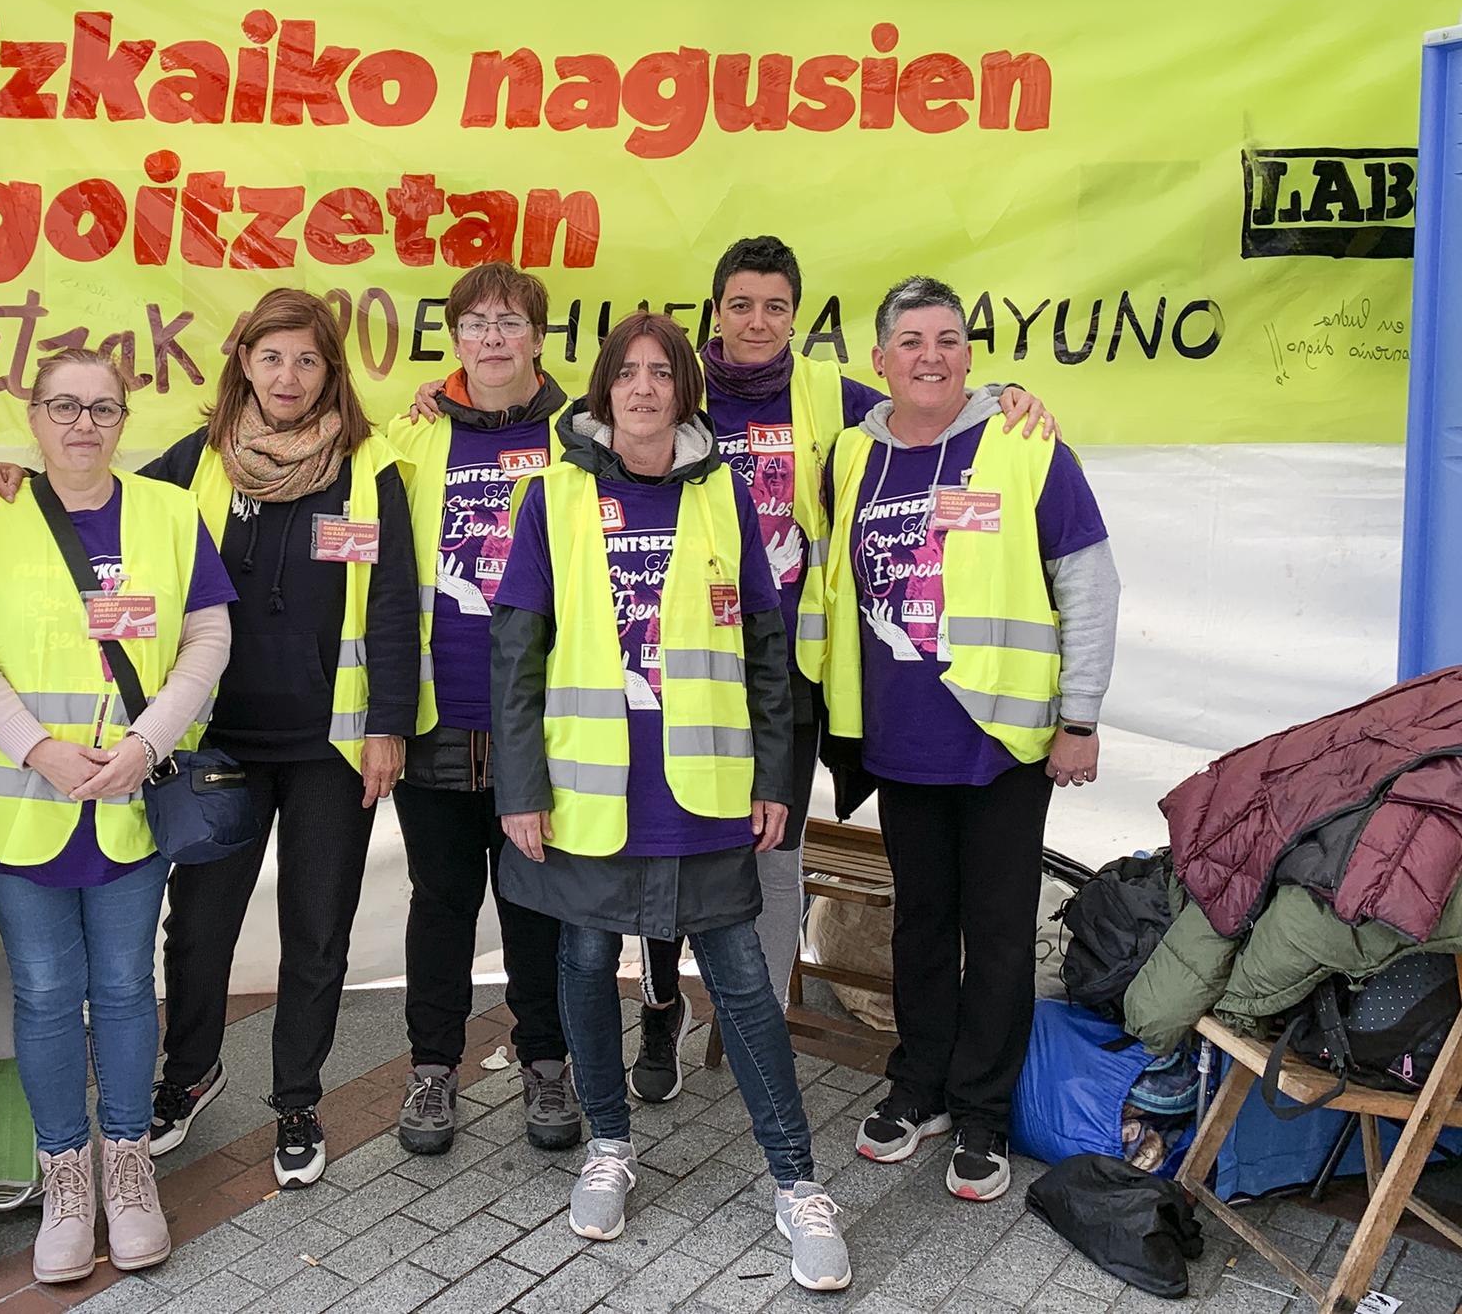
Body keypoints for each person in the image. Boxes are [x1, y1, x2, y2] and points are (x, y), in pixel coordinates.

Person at [630, 236, 1057, 1104]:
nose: (757, 322)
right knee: (668, 850)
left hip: (788, 676)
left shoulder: (829, 395)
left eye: (775, 306)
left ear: (797, 315)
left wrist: (1005, 393)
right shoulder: (676, 386)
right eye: (741, 304)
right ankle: (661, 1005)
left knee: (772, 853)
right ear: (715, 312)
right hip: (682, 666)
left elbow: (926, 403)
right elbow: (589, 425)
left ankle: (754, 1029)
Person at [491, 312, 851, 1292]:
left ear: (684, 393)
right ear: (604, 391)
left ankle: (796, 1183)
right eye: (628, 373)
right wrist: (520, 787)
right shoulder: (552, 496)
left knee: (742, 982)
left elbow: (766, 649)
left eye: (661, 373)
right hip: (589, 791)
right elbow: (516, 656)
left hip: (701, 792)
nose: (644, 388)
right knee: (581, 962)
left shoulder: (724, 495)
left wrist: (773, 776)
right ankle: (609, 1146)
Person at [0, 348, 234, 1283]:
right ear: (32, 415)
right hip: (21, 806)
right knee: (46, 990)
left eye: (103, 408)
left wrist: (146, 742)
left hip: (129, 800)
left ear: (124, 420)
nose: (83, 424)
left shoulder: (169, 511)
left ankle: (128, 1164)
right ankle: (67, 1173)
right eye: (64, 406)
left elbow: (208, 636)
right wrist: (37, 746)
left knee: (126, 986)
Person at [821, 276, 1118, 1202]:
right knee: (918, 926)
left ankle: (982, 1111)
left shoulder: (1024, 444)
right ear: (880, 361)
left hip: (1003, 743)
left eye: (947, 339)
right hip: (899, 742)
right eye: (910, 341)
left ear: (970, 355)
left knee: (995, 934)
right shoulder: (852, 452)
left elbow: (1089, 583)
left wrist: (1080, 718)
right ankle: (920, 1087)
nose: (930, 356)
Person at [143, 288, 418, 1187]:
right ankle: (189, 1073)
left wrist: (387, 725)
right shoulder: (197, 463)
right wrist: (5, 483)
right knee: (199, 928)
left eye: (306, 359)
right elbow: (95, 501)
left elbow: (392, 605)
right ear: (245, 364)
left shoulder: (368, 466)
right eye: (271, 357)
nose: (288, 376)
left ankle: (297, 1097)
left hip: (329, 746)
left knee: (317, 928)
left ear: (331, 368)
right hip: (219, 744)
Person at [385, 263, 578, 1156]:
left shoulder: (579, 437)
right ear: (455, 338)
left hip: (540, 717)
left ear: (538, 336)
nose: (492, 337)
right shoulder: (413, 434)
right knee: (442, 898)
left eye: (509, 321)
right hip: (438, 711)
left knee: (537, 899)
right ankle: (433, 1068)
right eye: (475, 323)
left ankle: (547, 1059)